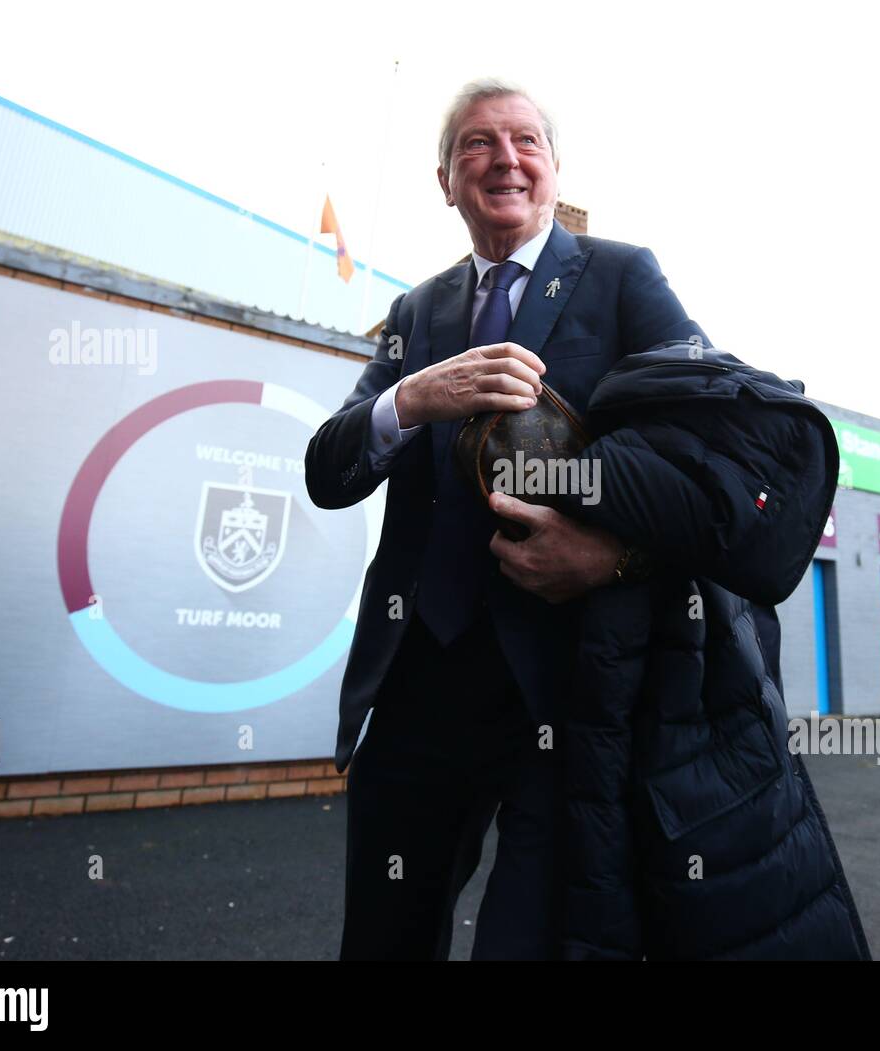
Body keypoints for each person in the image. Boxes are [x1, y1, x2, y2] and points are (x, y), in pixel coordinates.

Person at [305, 77, 709, 960]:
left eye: (525, 139)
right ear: (445, 179)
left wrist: (614, 558)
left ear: (556, 170)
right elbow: (328, 469)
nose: (504, 157)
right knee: (383, 933)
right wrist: (409, 398)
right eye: (477, 143)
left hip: (568, 688)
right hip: (422, 683)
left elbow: (708, 447)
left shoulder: (622, 277)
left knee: (537, 941)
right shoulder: (416, 312)